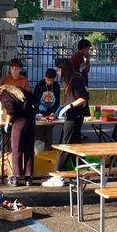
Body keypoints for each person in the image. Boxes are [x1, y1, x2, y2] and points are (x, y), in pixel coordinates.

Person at [42, 59, 90, 187]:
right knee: (74, 146)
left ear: (64, 69)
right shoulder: (71, 80)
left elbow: (84, 96)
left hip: (74, 116)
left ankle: (58, 175)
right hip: (73, 116)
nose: (58, 72)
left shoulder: (74, 79)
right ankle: (80, 174)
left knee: (64, 144)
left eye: (59, 70)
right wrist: (62, 110)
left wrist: (70, 106)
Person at [0, 84, 36, 187]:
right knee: (29, 148)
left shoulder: (3, 95)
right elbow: (33, 98)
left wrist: (7, 123)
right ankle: (29, 177)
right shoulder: (17, 89)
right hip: (30, 119)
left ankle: (15, 176)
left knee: (16, 148)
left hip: (19, 121)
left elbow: (10, 110)